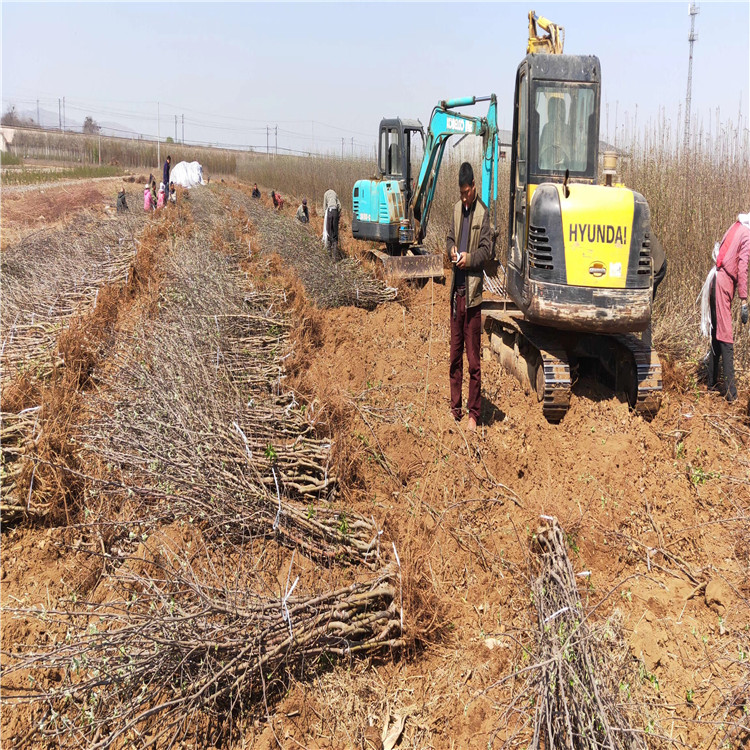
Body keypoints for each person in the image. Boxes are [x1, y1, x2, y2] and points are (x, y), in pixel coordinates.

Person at [446, 162, 492, 431]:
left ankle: (474, 414)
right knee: (454, 356)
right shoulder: (455, 210)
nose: (464, 197)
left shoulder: (482, 214)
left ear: (474, 186)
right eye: (461, 193)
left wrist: (469, 259)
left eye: (467, 192)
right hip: (456, 296)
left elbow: (487, 251)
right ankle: (455, 409)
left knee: (473, 360)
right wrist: (452, 251)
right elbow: (449, 237)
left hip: (473, 297)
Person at [706, 213, 750, 402]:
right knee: (726, 336)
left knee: (717, 333)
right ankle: (731, 394)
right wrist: (744, 300)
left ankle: (711, 383)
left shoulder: (737, 226)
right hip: (722, 282)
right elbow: (742, 267)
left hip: (715, 280)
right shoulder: (747, 234)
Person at [641, 233, 667, 349]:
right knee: (644, 305)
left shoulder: (633, 228)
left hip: (656, 266)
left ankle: (645, 346)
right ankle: (644, 343)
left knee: (645, 306)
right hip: (655, 264)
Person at [322, 188, 342, 261]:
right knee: (335, 235)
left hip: (329, 213)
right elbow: (340, 206)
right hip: (335, 212)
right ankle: (335, 257)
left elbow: (324, 207)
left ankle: (329, 255)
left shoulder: (326, 194)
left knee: (329, 233)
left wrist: (325, 217)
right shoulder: (335, 193)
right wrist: (337, 215)